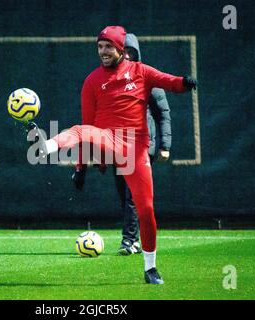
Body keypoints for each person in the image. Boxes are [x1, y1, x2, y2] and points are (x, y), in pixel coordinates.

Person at [28, 26, 197, 284]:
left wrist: (185, 83)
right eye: (100, 46)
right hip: (106, 138)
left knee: (147, 210)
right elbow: (86, 126)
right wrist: (81, 166)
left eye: (108, 46)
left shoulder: (141, 71)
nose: (103, 51)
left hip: (136, 147)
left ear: (121, 49)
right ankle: (46, 147)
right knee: (81, 128)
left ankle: (150, 269)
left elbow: (169, 81)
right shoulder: (92, 80)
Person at [72, 33, 173, 256]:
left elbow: (162, 113)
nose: (126, 55)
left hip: (140, 147)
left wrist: (165, 145)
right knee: (124, 194)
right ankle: (133, 238)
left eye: (129, 52)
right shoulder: (106, 81)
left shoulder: (146, 77)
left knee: (132, 196)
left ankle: (129, 241)